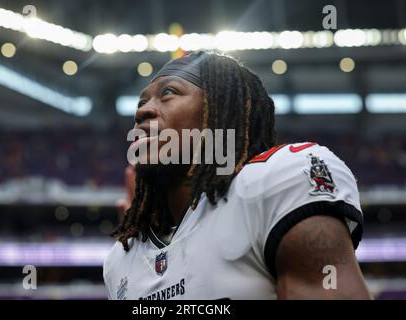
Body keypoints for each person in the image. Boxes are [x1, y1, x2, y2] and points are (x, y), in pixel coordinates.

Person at [103, 51, 371, 300]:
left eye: (169, 93)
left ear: (220, 110)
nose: (142, 112)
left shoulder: (279, 179)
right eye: (141, 102)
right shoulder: (121, 261)